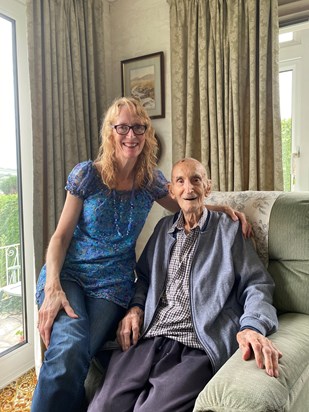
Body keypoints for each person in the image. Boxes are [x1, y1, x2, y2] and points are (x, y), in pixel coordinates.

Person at [88, 157, 282, 412]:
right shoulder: (162, 230)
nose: (188, 188)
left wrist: (252, 326)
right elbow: (144, 278)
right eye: (180, 181)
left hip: (196, 343)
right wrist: (135, 309)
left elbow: (256, 283)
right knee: (102, 406)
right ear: (171, 191)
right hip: (150, 335)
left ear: (207, 187)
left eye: (196, 180)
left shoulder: (229, 230)